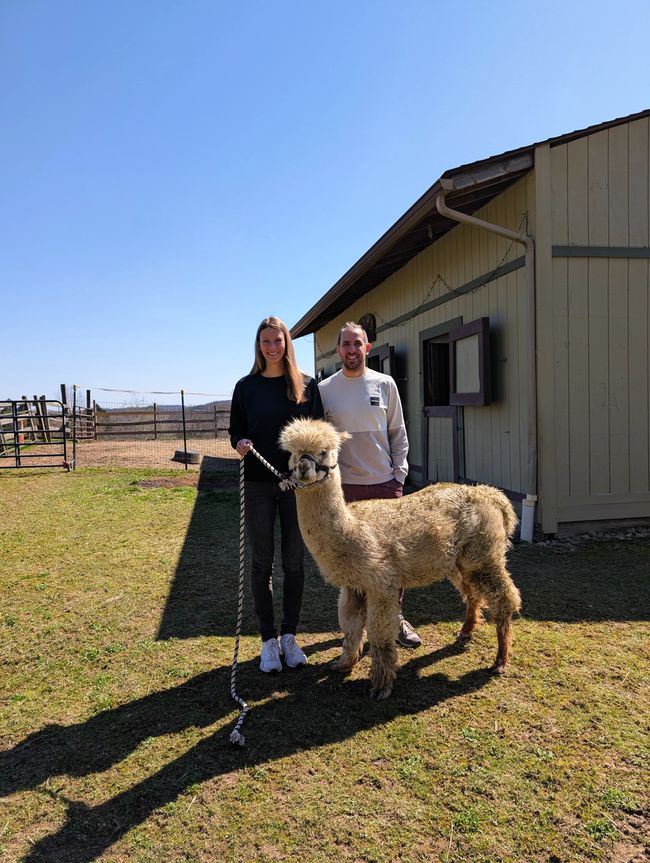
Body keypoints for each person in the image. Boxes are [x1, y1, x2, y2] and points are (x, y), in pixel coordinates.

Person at [318, 321, 422, 648]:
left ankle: (395, 618)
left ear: (367, 347)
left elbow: (398, 433)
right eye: (346, 344)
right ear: (338, 350)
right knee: (352, 559)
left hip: (384, 485)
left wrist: (399, 476)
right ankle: (356, 626)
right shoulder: (325, 390)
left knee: (392, 559)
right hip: (345, 490)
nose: (352, 350)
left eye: (357, 344)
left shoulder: (385, 384)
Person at [229, 316, 324, 672]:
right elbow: (235, 429)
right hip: (258, 483)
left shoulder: (306, 386)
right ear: (259, 346)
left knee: (294, 561)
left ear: (287, 344)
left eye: (277, 341)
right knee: (261, 562)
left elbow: (319, 433)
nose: (272, 347)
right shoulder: (245, 387)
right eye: (266, 341)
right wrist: (239, 442)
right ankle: (268, 639)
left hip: (297, 487)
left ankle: (290, 636)